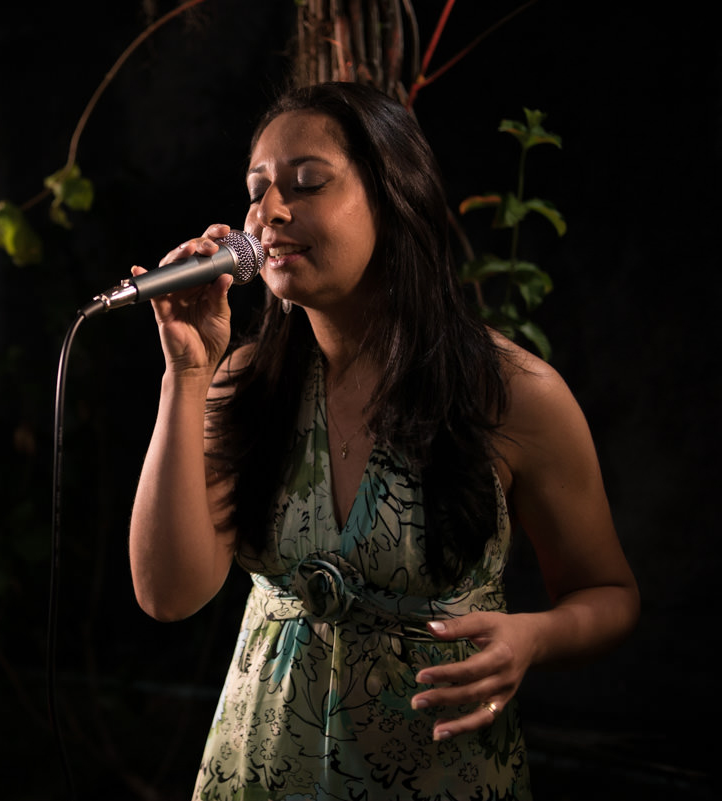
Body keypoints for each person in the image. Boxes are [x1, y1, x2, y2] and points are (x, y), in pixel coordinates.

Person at [126, 82, 639, 800]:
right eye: (256, 190)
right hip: (263, 771)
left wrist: (534, 638)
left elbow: (609, 592)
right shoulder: (243, 383)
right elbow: (168, 593)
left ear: (395, 198)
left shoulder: (514, 393)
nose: (268, 212)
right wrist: (186, 369)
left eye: (306, 184)